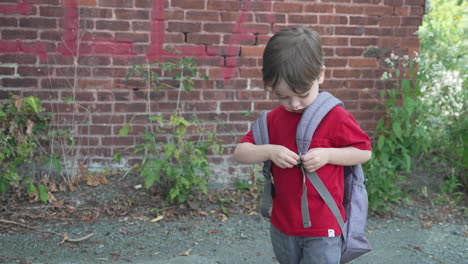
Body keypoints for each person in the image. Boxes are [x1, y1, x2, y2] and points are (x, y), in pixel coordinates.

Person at [233, 26, 372, 264]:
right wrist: (269, 151)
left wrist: (328, 155)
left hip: (323, 226)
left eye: (303, 93)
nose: (294, 104)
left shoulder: (335, 117)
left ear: (320, 75)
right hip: (283, 224)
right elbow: (240, 152)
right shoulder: (273, 120)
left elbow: (363, 152)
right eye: (282, 96)